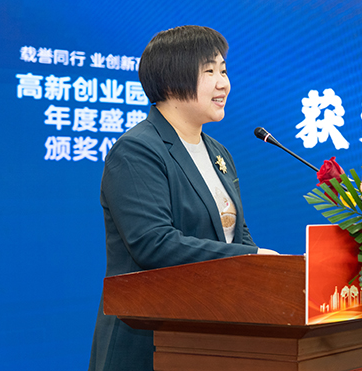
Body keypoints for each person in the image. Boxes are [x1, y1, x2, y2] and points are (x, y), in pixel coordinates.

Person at [88, 26, 278, 371]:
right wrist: (252, 258)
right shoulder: (137, 149)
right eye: (209, 71)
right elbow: (153, 244)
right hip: (149, 340)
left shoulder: (219, 153)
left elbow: (236, 234)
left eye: (224, 71)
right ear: (172, 80)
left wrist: (266, 269)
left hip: (208, 336)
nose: (223, 83)